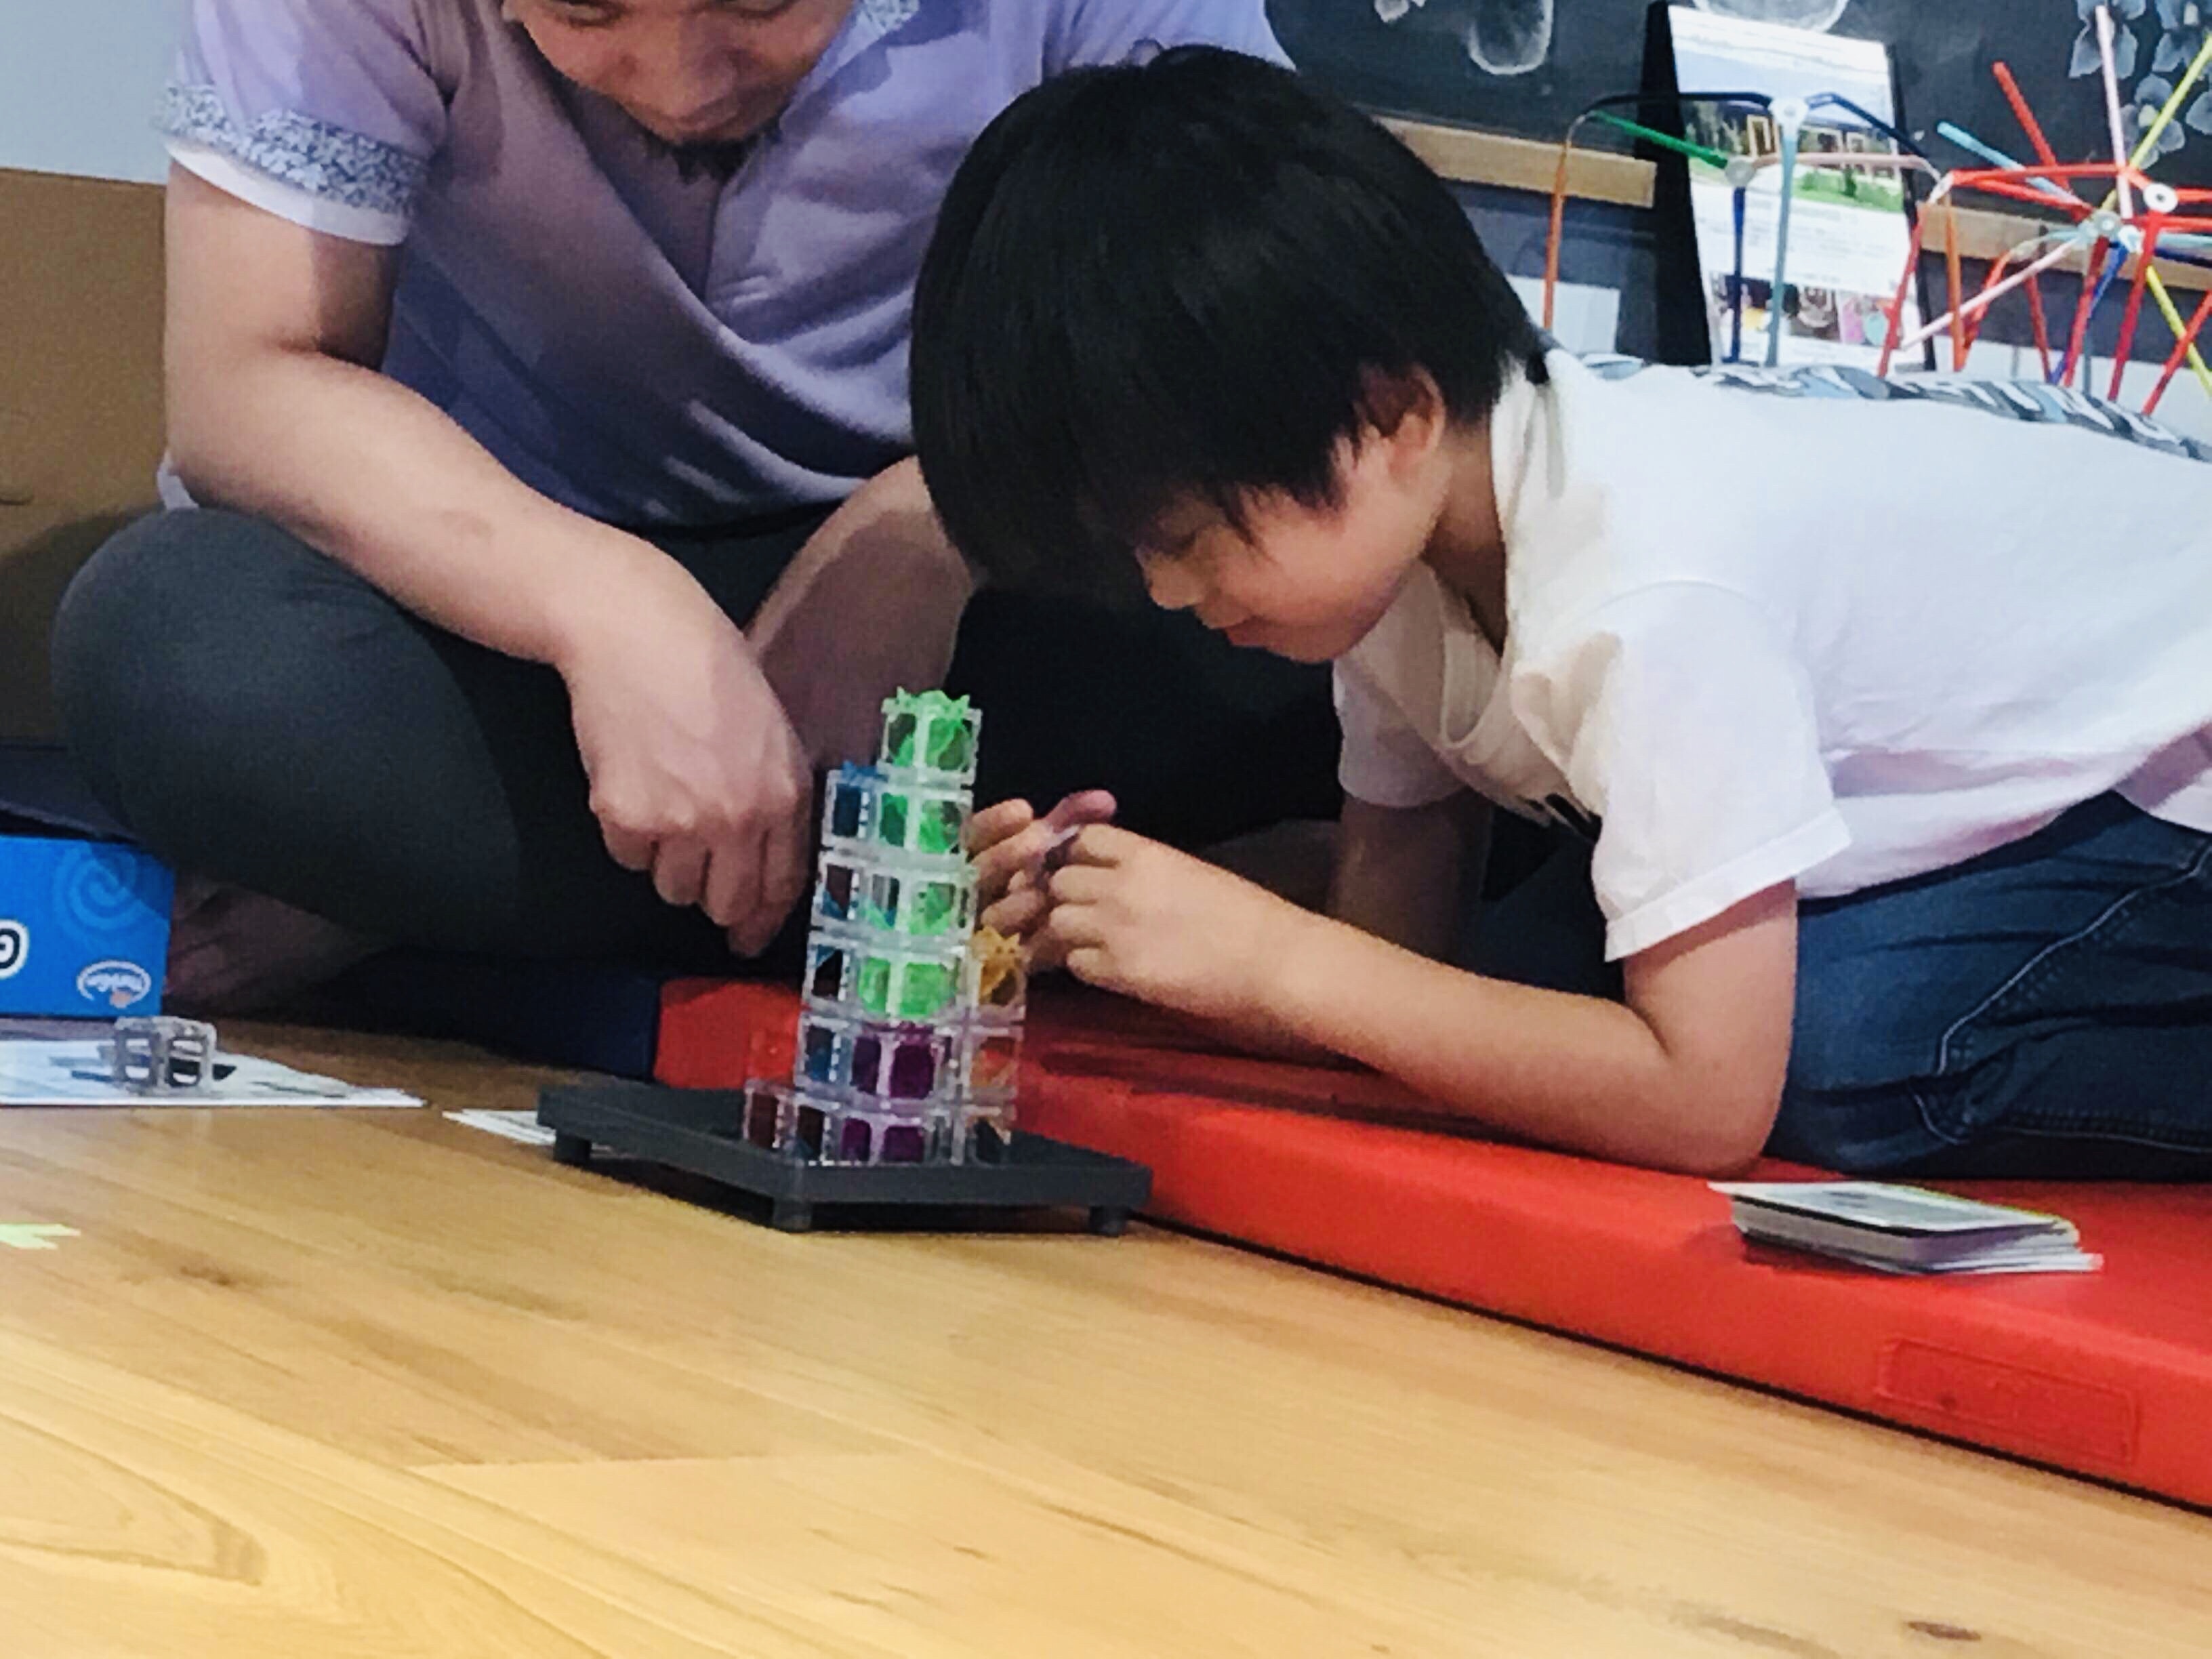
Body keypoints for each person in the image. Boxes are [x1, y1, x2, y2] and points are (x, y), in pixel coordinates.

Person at [914, 48, 2212, 1180]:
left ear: (1390, 415)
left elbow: (1707, 1103)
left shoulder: (1647, 581)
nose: (1165, 591)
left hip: (2174, 771)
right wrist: (1102, 918)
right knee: (1531, 983)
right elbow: (1397, 948)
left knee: (1834, 1054)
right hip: (2044, 784)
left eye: (1188, 536)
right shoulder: (1406, 557)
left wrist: (1270, 961)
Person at [49, 1, 1338, 1010]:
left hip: (973, 580)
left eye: (760, 1)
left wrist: (935, 524)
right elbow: (250, 381)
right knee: (173, 645)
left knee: (1310, 612)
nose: (681, 83)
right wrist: (604, 606)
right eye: (583, 10)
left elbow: (1237, 327)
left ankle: (447, 902)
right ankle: (907, 905)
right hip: (497, 588)